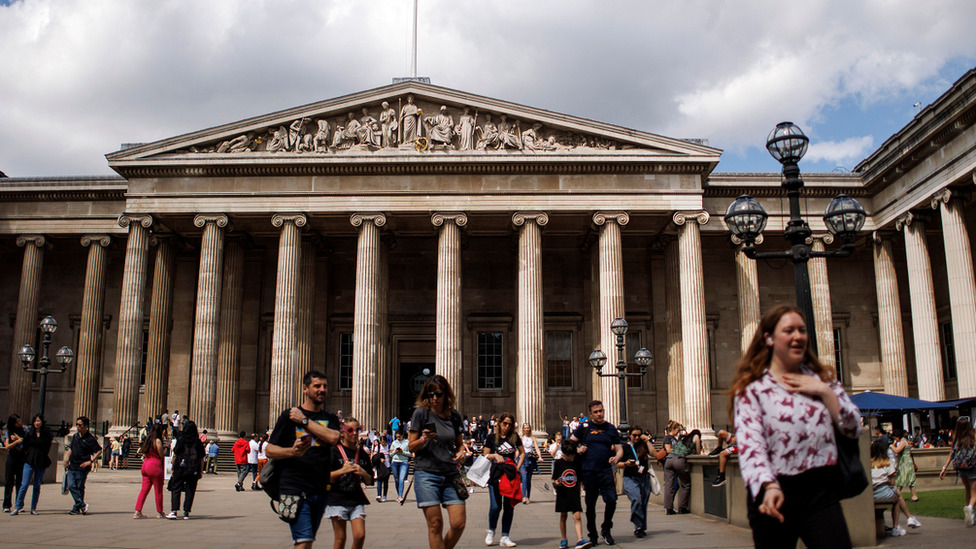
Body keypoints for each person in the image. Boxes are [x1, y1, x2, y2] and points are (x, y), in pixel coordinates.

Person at [731, 305, 862, 548]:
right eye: (789, 330)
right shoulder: (752, 390)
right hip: (774, 492)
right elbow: (752, 447)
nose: (797, 336)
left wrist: (825, 393)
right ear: (769, 338)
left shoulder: (822, 380)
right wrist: (768, 486)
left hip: (821, 489)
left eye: (802, 330)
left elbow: (854, 428)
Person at [267, 370, 340, 549]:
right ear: (305, 389)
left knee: (306, 540)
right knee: (304, 540)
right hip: (293, 486)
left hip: (320, 488)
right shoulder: (289, 416)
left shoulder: (329, 418)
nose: (322, 390)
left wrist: (305, 421)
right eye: (317, 386)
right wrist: (292, 452)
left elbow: (333, 438)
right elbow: (269, 449)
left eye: (325, 386)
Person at [407, 374, 467, 549]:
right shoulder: (420, 414)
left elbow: (460, 444)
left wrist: (461, 453)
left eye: (438, 394)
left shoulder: (454, 416)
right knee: (435, 524)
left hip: (450, 474)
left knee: (458, 524)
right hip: (426, 473)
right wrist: (423, 439)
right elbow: (410, 447)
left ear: (446, 395)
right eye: (430, 394)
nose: (434, 398)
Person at [570, 400, 624, 546]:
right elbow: (569, 444)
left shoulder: (610, 428)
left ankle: (606, 528)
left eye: (601, 411)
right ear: (590, 414)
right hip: (589, 471)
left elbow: (619, 449)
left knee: (612, 500)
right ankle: (592, 533)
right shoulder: (584, 428)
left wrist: (617, 457)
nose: (599, 414)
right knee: (590, 504)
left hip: (606, 470)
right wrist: (577, 450)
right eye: (596, 412)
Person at [328, 417, 374, 549]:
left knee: (360, 536)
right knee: (340, 538)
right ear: (342, 432)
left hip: (356, 498)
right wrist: (342, 471)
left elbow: (370, 480)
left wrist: (363, 473)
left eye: (357, 430)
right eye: (350, 430)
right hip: (337, 498)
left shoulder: (363, 454)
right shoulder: (334, 452)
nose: (354, 433)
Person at [483, 412, 524, 547]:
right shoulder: (491, 437)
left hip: (510, 475)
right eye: (504, 423)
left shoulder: (514, 437)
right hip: (495, 475)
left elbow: (522, 452)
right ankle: (491, 531)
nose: (507, 426)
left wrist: (517, 466)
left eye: (509, 424)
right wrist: (495, 455)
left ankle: (505, 536)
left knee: (509, 507)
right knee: (495, 506)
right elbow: (485, 455)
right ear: (500, 423)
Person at [871, 440, 921, 536]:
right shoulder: (887, 463)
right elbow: (892, 482)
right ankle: (897, 526)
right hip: (883, 492)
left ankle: (909, 518)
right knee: (897, 496)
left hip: (872, 493)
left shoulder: (869, 464)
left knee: (896, 491)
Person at [552, 439, 590, 549]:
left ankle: (580, 539)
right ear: (563, 453)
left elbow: (580, 479)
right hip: (563, 493)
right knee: (563, 516)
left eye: (572, 455)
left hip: (574, 493)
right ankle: (564, 539)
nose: (570, 458)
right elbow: (554, 479)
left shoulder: (576, 463)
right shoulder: (559, 463)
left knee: (577, 516)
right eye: (568, 455)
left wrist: (584, 488)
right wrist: (557, 482)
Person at [939, 416, 976, 527]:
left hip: (961, 468)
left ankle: (969, 513)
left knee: (967, 490)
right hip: (972, 468)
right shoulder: (973, 438)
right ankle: (970, 508)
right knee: (975, 493)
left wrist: (944, 468)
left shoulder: (957, 439)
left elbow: (951, 454)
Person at [13, 414, 52, 515]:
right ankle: (17, 506)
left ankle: (33, 508)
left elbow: (48, 447)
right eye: (35, 421)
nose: (37, 423)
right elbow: (25, 446)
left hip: (41, 460)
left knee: (37, 485)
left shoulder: (46, 434)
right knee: (24, 484)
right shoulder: (29, 433)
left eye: (38, 421)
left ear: (42, 422)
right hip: (30, 460)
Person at [64, 416, 102, 515]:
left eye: (80, 425)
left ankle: (76, 508)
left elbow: (99, 450)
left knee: (79, 487)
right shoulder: (75, 436)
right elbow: (71, 449)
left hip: (82, 467)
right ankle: (81, 504)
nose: (77, 427)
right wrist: (66, 460)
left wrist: (91, 461)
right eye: (76, 425)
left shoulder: (90, 439)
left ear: (86, 426)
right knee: (72, 486)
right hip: (72, 465)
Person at [167, 420, 205, 519]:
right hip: (193, 469)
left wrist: (173, 465)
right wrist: (200, 471)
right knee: (190, 490)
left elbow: (175, 454)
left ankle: (174, 511)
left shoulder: (181, 439)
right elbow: (201, 458)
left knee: (176, 488)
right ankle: (186, 512)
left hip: (180, 468)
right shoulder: (198, 442)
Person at [622, 426, 653, 538]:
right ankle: (637, 523)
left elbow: (655, 454)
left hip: (643, 477)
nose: (636, 437)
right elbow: (618, 463)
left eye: (638, 435)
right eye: (634, 435)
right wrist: (626, 463)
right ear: (629, 435)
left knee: (643, 504)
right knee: (636, 499)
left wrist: (647, 441)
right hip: (630, 477)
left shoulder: (643, 445)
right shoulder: (625, 447)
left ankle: (640, 528)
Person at [133, 423, 166, 519]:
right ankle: (159, 512)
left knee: (144, 490)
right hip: (154, 465)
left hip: (145, 465)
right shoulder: (157, 441)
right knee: (158, 490)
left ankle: (137, 511)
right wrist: (165, 449)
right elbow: (161, 454)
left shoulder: (148, 440)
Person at [3, 414, 26, 513]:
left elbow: (27, 442)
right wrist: (17, 441)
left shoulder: (25, 431)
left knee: (20, 482)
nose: (19, 423)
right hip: (11, 458)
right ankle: (7, 504)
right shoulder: (9, 432)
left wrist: (20, 440)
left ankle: (19, 504)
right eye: (17, 422)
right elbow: (7, 446)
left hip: (21, 458)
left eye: (19, 421)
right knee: (9, 482)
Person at [891, 429, 919, 502]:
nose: (895, 439)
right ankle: (914, 496)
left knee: (900, 480)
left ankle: (898, 496)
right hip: (907, 463)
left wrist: (891, 446)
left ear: (898, 436)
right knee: (909, 479)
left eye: (895, 438)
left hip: (905, 464)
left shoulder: (903, 442)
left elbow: (897, 450)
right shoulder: (904, 441)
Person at [520, 422, 542, 504]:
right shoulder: (521, 438)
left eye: (528, 427)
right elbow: (518, 449)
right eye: (525, 428)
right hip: (523, 458)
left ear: (530, 429)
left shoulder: (533, 438)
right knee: (524, 478)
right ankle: (524, 497)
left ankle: (528, 496)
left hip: (530, 459)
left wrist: (539, 456)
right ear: (523, 429)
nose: (526, 429)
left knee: (528, 479)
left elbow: (536, 448)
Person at [390, 430, 411, 503]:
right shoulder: (394, 442)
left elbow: (410, 453)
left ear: (403, 435)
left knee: (401, 479)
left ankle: (400, 496)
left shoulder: (407, 442)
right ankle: (398, 493)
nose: (398, 438)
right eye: (397, 437)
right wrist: (394, 452)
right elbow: (390, 454)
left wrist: (403, 452)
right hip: (395, 461)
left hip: (404, 462)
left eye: (399, 436)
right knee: (396, 479)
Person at [370, 435, 391, 502]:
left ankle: (384, 495)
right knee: (379, 480)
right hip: (380, 466)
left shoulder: (389, 447)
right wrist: (379, 459)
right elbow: (375, 456)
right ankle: (379, 495)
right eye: (381, 442)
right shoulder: (378, 447)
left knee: (385, 481)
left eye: (384, 442)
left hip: (387, 466)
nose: (383, 443)